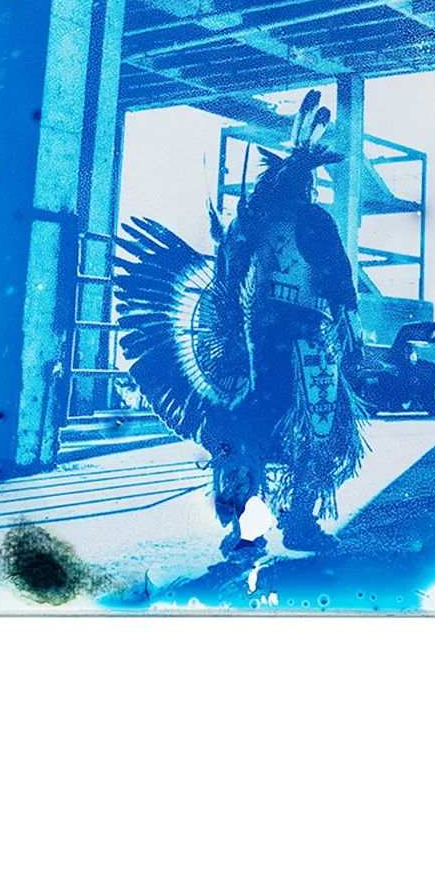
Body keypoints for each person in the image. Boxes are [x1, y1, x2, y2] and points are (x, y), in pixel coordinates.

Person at [115, 90, 367, 556]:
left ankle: (245, 530)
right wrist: (348, 321)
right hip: (305, 343)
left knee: (248, 431)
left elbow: (225, 281)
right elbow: (336, 275)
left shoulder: (251, 224)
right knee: (316, 429)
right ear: (305, 185)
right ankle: (298, 522)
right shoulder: (312, 220)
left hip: (257, 342)